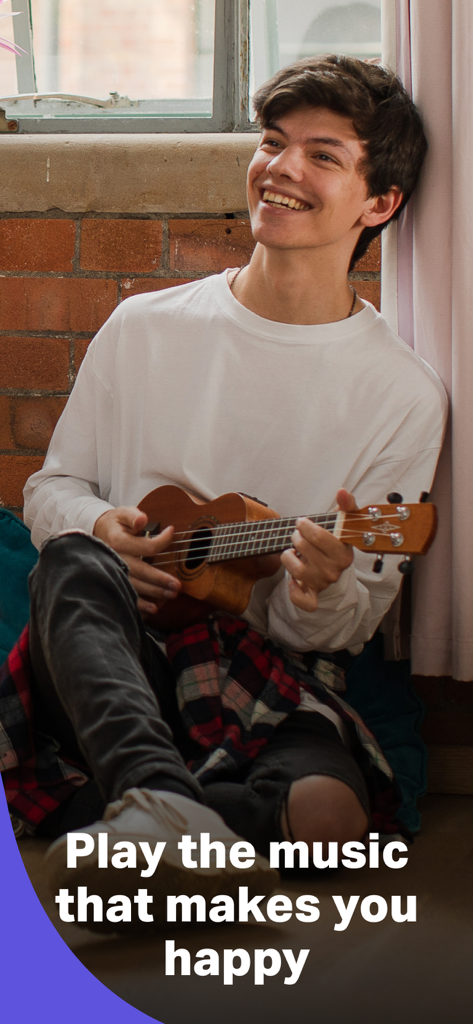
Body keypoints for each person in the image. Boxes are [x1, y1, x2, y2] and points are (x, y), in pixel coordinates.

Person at [20, 55, 446, 923]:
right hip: (118, 659)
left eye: (322, 156)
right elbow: (50, 488)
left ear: (379, 204)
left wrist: (314, 585)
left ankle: (149, 836)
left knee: (332, 821)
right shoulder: (145, 326)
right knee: (71, 562)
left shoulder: (402, 393)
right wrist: (105, 525)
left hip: (262, 668)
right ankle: (164, 805)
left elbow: (343, 625)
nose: (280, 169)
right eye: (271, 142)